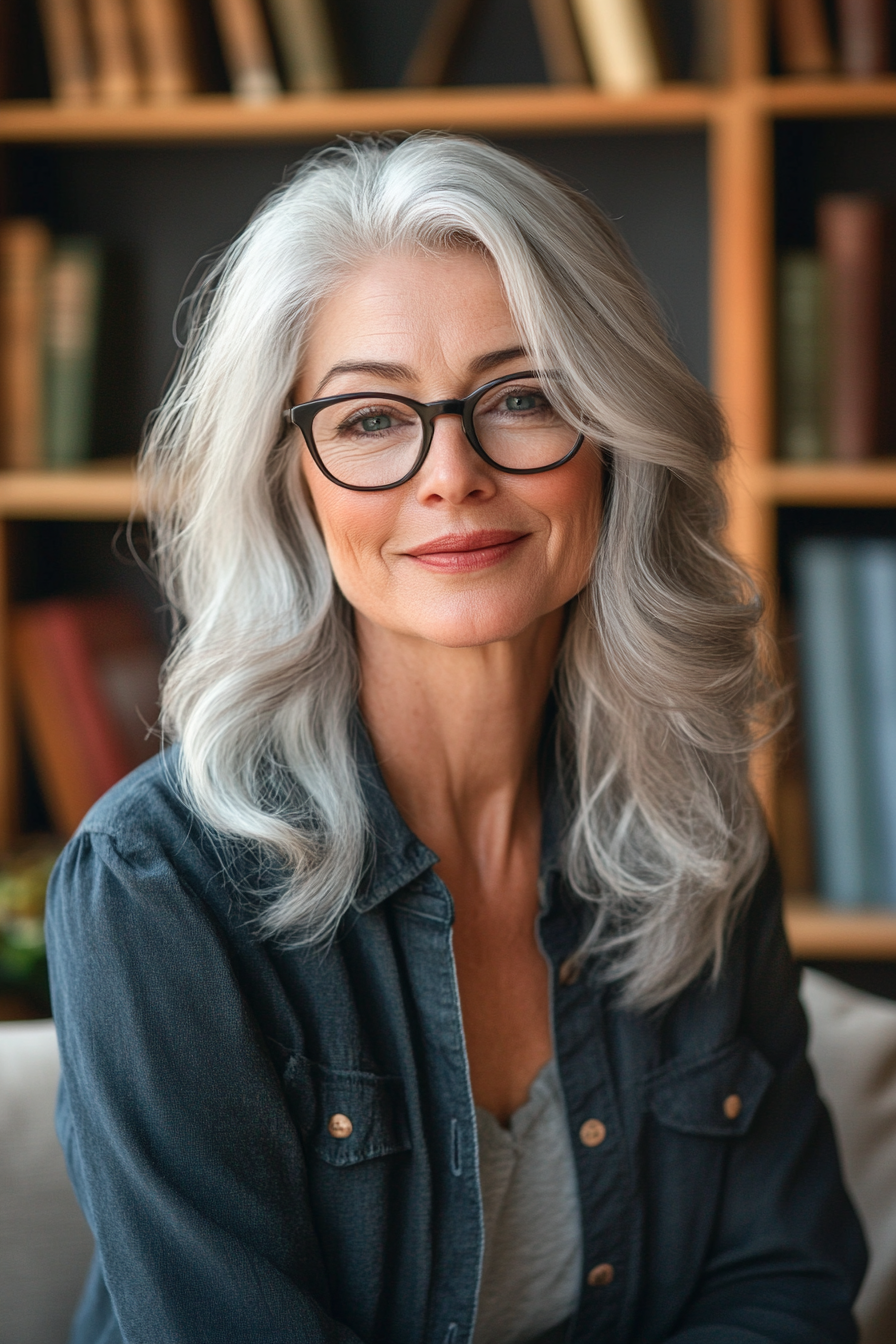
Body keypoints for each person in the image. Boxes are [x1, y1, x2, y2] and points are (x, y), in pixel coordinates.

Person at [46, 135, 865, 1344]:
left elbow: (780, 1288)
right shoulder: (154, 891)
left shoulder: (694, 835)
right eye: (371, 418)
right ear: (291, 482)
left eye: (521, 397)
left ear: (612, 440)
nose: (452, 474)